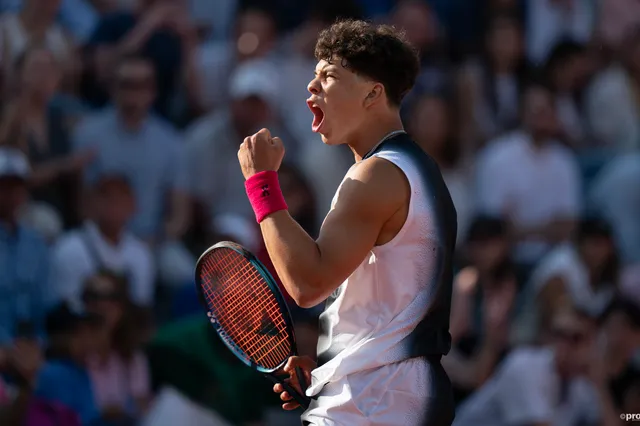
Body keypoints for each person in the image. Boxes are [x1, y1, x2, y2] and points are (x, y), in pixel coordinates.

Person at [237, 19, 457, 425]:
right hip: (390, 396)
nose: (311, 86)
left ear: (374, 93)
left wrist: (261, 183)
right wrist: (328, 363)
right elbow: (379, 308)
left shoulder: (375, 176)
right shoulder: (413, 171)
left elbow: (307, 284)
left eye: (329, 76)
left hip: (374, 404)